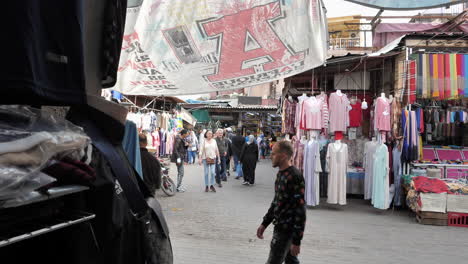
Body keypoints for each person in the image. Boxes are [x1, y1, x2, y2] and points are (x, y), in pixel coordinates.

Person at [257, 141, 306, 264]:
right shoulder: (281, 174)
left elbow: (300, 210)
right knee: (291, 260)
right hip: (280, 227)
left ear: (283, 156)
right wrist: (264, 223)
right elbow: (276, 202)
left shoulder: (294, 176)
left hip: (286, 231)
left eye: (273, 154)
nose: (271, 156)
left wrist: (296, 241)